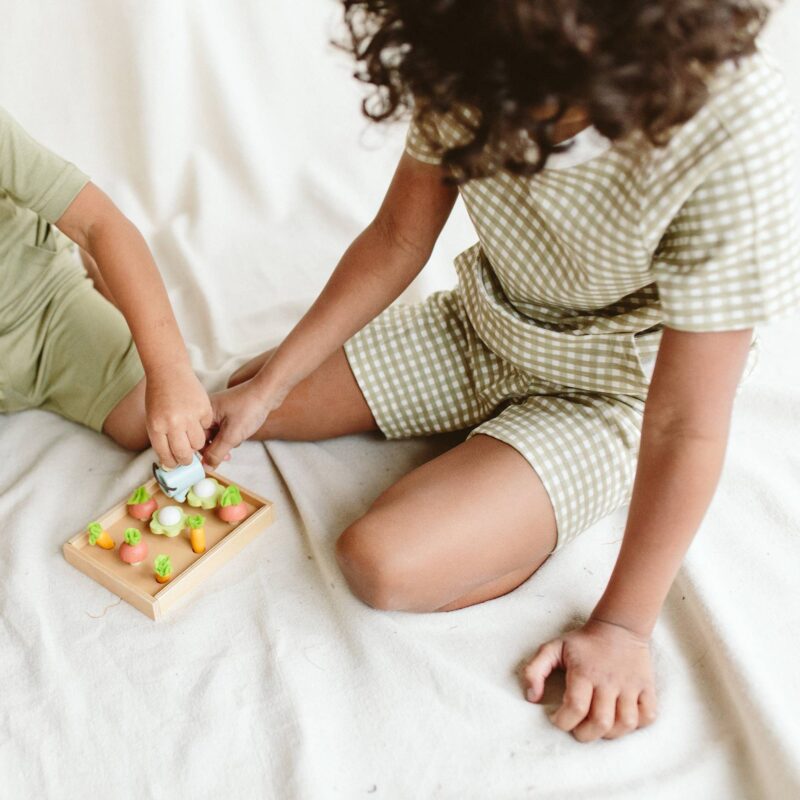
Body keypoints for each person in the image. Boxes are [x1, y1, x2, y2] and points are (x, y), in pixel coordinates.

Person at [203, 0, 799, 741]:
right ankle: (480, 469)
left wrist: (623, 626)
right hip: (485, 324)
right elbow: (397, 237)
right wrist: (271, 386)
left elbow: (684, 421)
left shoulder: (735, 128)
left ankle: (521, 506)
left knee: (382, 564)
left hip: (613, 392)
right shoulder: (469, 40)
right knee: (223, 400)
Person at [0, 106, 211, 467]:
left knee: (151, 423)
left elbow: (96, 221)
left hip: (43, 304)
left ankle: (100, 277)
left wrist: (169, 369)